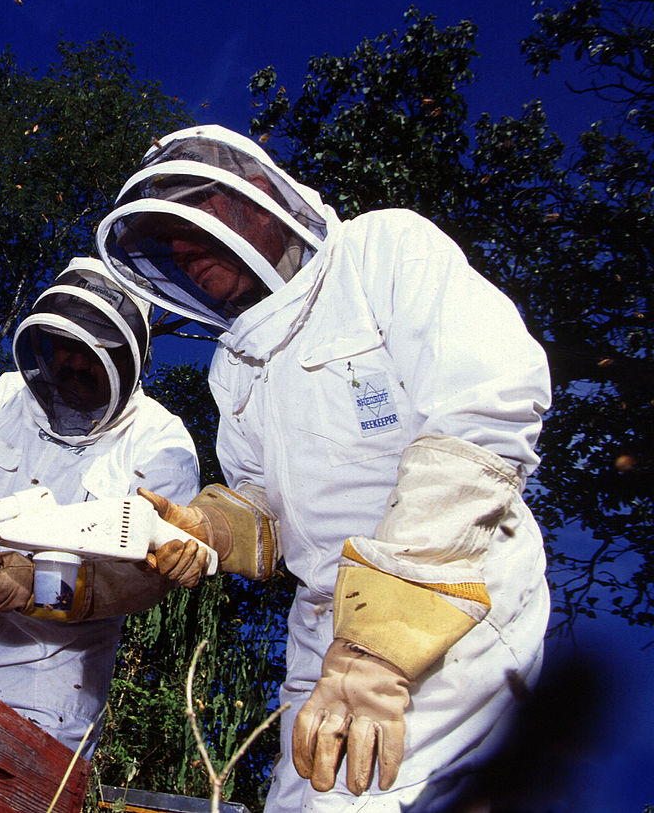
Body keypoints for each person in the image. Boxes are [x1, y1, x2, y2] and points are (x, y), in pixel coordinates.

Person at [95, 126, 552, 811]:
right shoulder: (236, 364)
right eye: (169, 241)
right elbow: (267, 511)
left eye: (194, 219)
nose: (184, 252)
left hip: (449, 612)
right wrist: (207, 525)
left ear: (257, 196)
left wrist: (386, 640)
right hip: (323, 634)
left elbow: (486, 411)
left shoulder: (383, 252)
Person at [0, 257, 201, 756]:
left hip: (46, 688)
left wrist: (32, 587)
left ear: (130, 359)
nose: (73, 363)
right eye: (64, 346)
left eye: (93, 352)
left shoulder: (160, 444)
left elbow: (144, 580)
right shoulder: (4, 395)